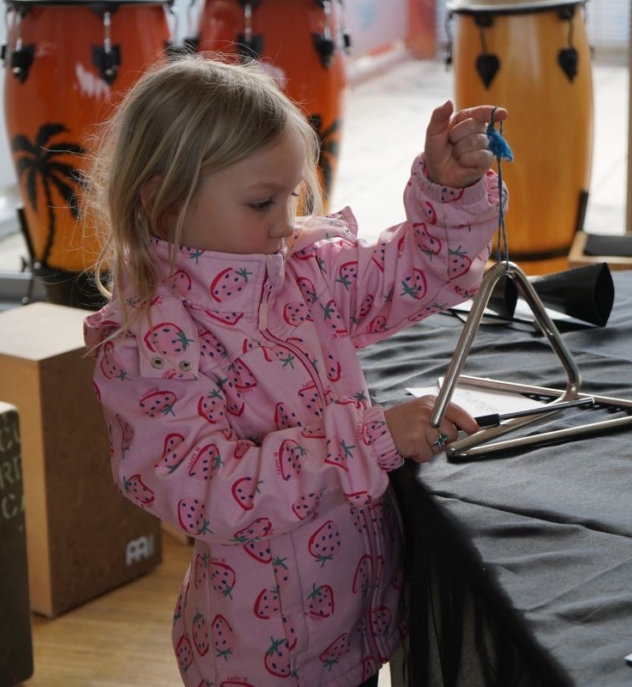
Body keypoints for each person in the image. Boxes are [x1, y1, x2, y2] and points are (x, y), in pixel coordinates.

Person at [82, 55, 508, 687]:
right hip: (265, 661)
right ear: (164, 203)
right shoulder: (148, 346)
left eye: (290, 196)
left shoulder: (304, 270)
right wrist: (372, 440)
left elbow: (421, 270)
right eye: (261, 202)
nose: (285, 223)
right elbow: (209, 491)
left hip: (357, 622)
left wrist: (448, 194)